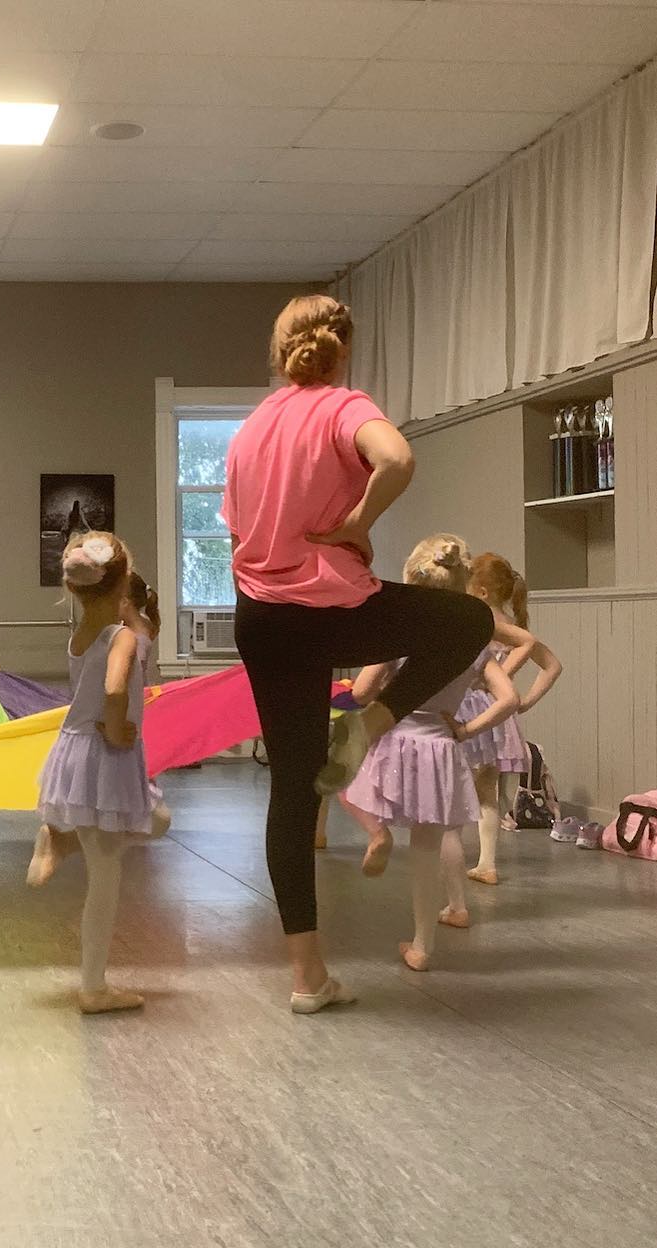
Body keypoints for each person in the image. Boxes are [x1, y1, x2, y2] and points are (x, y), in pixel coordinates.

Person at [224, 294, 493, 1013]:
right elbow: (397, 458)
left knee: (290, 790)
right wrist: (354, 523)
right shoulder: (342, 404)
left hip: (258, 617)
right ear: (340, 350)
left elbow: (238, 532)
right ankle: (372, 722)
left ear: (279, 352)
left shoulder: (248, 429)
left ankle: (307, 977)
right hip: (329, 611)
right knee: (467, 620)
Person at [340, 537, 522, 969]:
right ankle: (422, 945)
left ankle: (377, 833)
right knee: (428, 848)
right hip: (440, 747)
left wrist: (360, 693)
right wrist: (466, 729)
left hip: (395, 739)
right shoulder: (474, 642)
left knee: (342, 778)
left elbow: (365, 690)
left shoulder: (400, 637)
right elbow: (509, 699)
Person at [25, 534, 170, 1014]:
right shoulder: (121, 636)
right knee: (105, 877)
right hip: (104, 752)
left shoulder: (81, 633)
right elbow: (113, 688)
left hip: (75, 750)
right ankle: (93, 987)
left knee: (157, 819)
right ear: (123, 580)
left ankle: (61, 841)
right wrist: (113, 726)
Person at [458, 552, 563, 883]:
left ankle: (456, 855)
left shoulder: (482, 622)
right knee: (491, 792)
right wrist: (524, 702)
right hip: (501, 717)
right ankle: (487, 860)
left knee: (461, 787)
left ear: (482, 592)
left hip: (475, 711)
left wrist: (501, 677)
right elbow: (553, 665)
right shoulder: (512, 625)